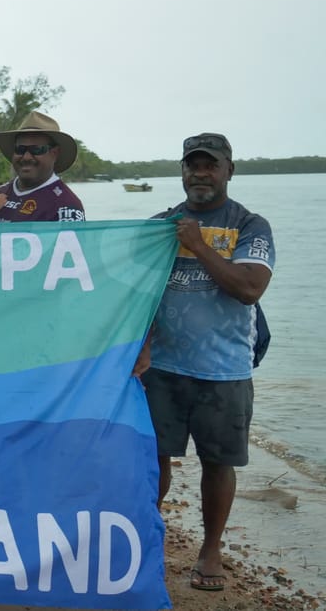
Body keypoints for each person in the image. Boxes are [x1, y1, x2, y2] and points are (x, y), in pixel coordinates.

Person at [142, 133, 274, 593]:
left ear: (228, 170)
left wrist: (198, 245)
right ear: (182, 171)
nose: (200, 173)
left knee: (218, 463)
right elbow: (137, 292)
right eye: (191, 165)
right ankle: (146, 536)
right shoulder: (160, 225)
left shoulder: (250, 225)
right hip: (162, 366)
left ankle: (210, 549)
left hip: (224, 370)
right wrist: (139, 346)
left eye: (210, 165)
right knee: (154, 456)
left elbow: (250, 288)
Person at [0, 111, 85, 222]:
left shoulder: (66, 207)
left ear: (54, 153)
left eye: (36, 149)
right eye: (20, 149)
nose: (26, 157)